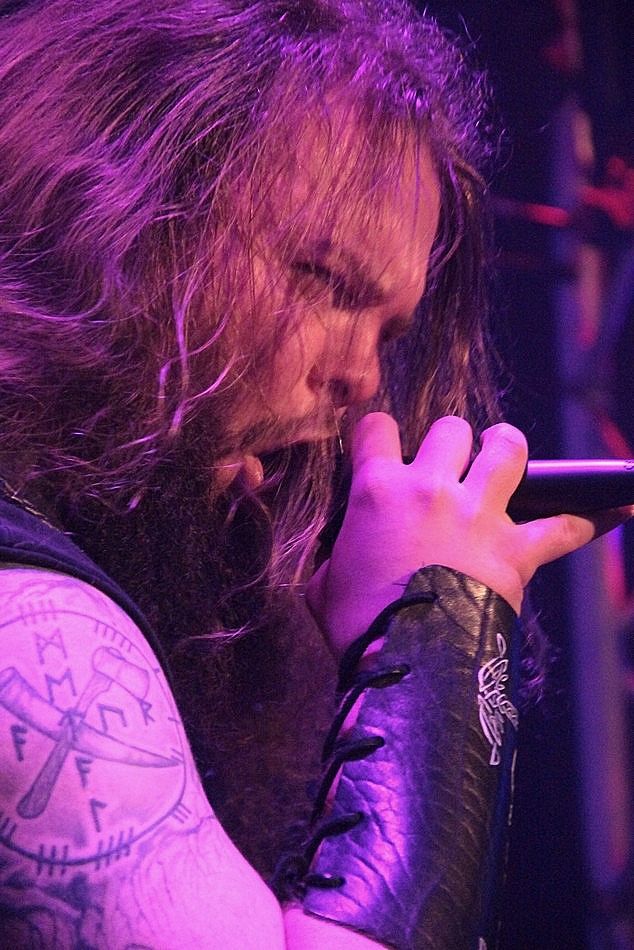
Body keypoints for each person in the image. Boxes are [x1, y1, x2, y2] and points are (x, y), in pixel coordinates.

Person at [0, 0, 628, 946]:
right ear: (117, 216)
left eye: (389, 333)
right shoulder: (32, 626)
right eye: (325, 281)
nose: (363, 378)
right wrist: (433, 623)